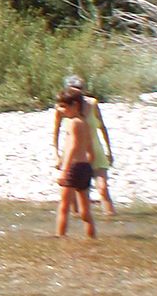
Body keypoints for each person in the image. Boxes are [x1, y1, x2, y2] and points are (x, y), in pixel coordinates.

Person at [51, 75, 114, 216]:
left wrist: (109, 151)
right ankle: (78, 222)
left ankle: (111, 220)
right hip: (74, 154)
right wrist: (56, 155)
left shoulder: (92, 104)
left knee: (103, 189)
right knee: (73, 196)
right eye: (74, 89)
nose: (78, 92)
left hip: (95, 150)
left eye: (80, 89)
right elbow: (56, 132)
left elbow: (102, 127)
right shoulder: (63, 107)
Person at [55, 89, 97, 239]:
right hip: (85, 167)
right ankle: (91, 238)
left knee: (64, 207)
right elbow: (90, 147)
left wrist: (65, 170)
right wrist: (90, 163)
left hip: (73, 167)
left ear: (75, 105)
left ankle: (60, 237)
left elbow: (72, 147)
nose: (61, 110)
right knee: (85, 211)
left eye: (63, 106)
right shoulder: (84, 122)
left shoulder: (73, 123)